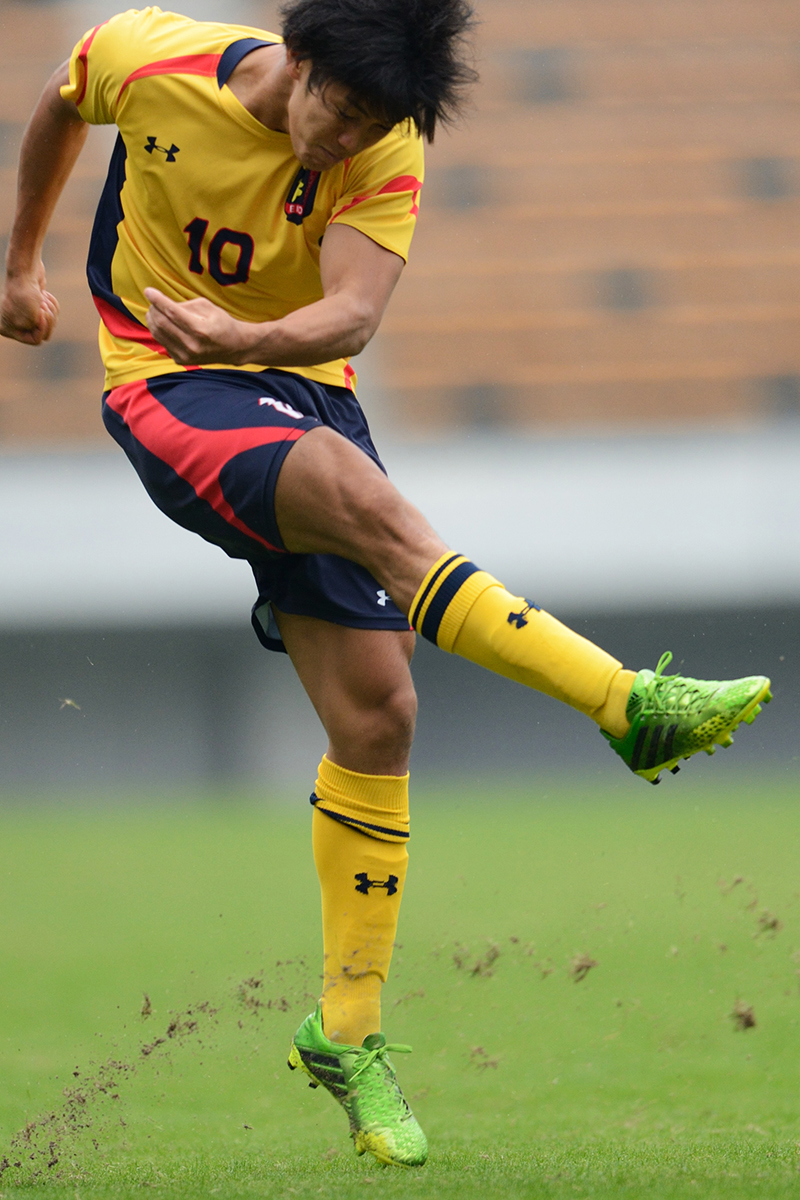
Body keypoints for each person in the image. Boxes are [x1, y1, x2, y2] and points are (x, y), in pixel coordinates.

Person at [1, 0, 771, 1170]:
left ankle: (345, 1033)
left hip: (289, 379)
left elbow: (353, 312)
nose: (340, 143)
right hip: (163, 379)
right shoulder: (145, 56)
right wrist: (19, 261)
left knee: (379, 710)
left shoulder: (384, 142)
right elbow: (60, 105)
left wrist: (244, 338)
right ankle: (625, 706)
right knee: (375, 513)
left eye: (367, 128)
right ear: (295, 62)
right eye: (336, 112)